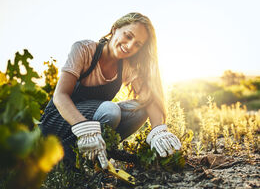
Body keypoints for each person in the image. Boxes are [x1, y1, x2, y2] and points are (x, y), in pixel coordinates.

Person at [39, 12, 182, 170]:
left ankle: (92, 158)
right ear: (114, 29)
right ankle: (66, 160)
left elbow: (149, 97)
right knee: (111, 110)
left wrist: (158, 129)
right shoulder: (84, 49)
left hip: (92, 122)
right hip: (56, 121)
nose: (129, 46)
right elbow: (60, 96)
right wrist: (84, 128)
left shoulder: (127, 66)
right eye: (128, 36)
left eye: (137, 45)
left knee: (140, 110)